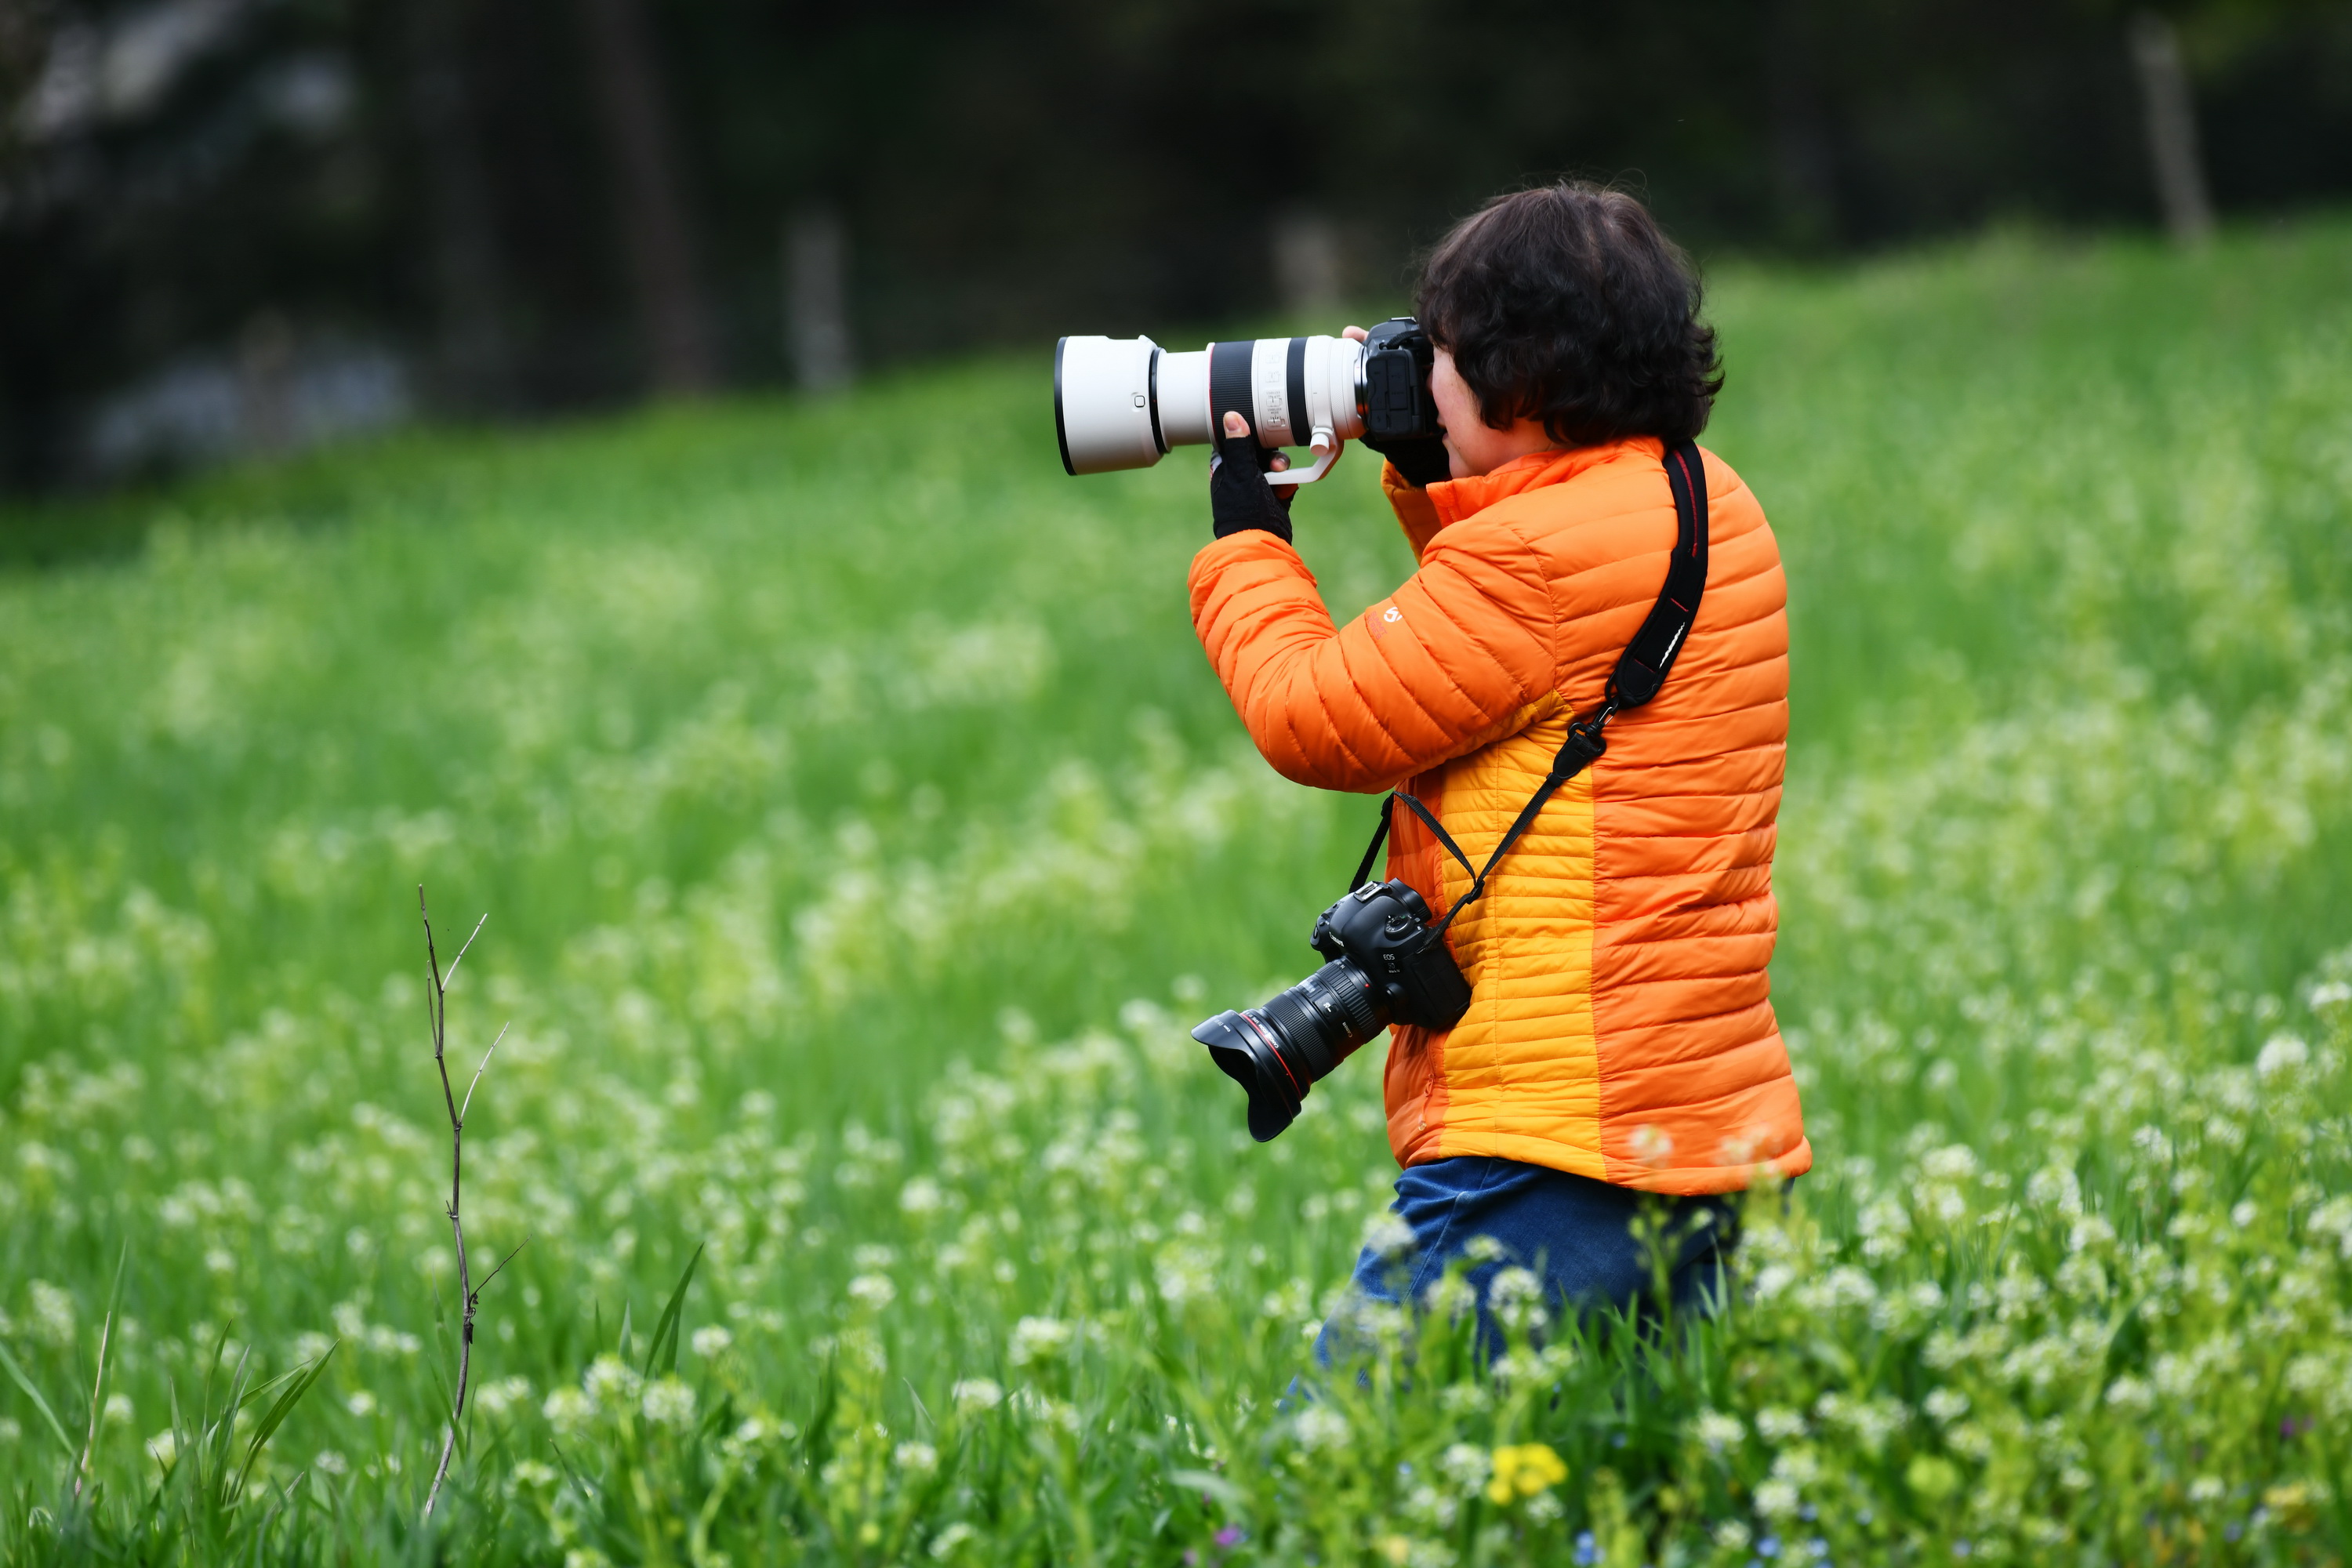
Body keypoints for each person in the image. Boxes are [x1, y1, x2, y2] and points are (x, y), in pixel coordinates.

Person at [1188, 180, 1809, 1352]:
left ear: (1518, 387)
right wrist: (1435, 467)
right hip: (1699, 1124)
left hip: (1552, 1141)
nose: (1419, 374)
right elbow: (1528, 651)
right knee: (1639, 1492)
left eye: (1445, 357)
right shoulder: (1699, 497)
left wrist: (1248, 543)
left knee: (1339, 1482)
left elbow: (1310, 716)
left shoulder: (1533, 563)